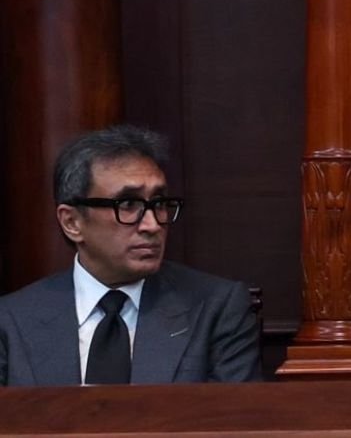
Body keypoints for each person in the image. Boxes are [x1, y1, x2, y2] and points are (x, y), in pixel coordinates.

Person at [0, 125, 262, 385]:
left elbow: (231, 423)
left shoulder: (216, 309)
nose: (152, 225)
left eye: (158, 204)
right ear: (72, 222)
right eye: (127, 204)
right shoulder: (10, 321)